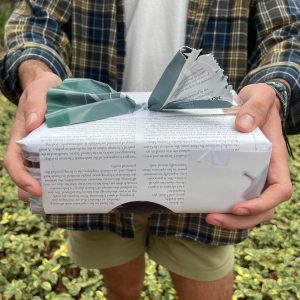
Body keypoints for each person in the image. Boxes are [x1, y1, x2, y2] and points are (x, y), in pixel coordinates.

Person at [0, 1, 299, 299]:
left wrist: (273, 87)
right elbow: (38, 19)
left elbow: (287, 31)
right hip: (92, 169)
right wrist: (36, 72)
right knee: (120, 284)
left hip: (207, 170)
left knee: (205, 282)